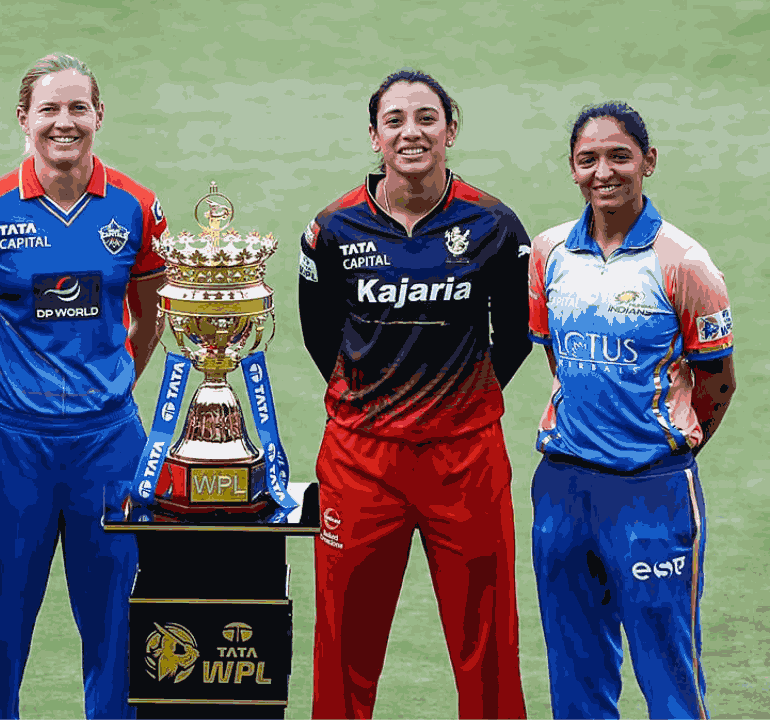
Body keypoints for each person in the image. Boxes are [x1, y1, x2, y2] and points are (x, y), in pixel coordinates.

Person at [298, 69, 531, 719]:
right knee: (345, 638)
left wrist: (456, 403)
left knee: (487, 637)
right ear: (374, 136)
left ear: (450, 130)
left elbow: (512, 338)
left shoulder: (493, 225)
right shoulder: (332, 229)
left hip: (466, 460)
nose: (412, 132)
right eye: (395, 119)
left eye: (426, 117)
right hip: (361, 462)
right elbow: (323, 338)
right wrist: (377, 404)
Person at [0, 53, 167, 719]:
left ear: (99, 116)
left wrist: (112, 384)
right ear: (24, 119)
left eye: (78, 108)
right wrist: (6, 388)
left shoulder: (135, 207)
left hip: (109, 446)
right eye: (49, 109)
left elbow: (152, 310)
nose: (64, 122)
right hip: (11, 446)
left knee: (118, 628)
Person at [528, 102, 736, 719]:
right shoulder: (548, 254)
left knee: (667, 669)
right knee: (575, 672)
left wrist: (664, 446)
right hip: (563, 486)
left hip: (652, 491)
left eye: (619, 156)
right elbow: (561, 364)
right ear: (572, 169)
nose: (604, 172)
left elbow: (717, 383)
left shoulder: (685, 262)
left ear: (648, 162)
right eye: (588, 159)